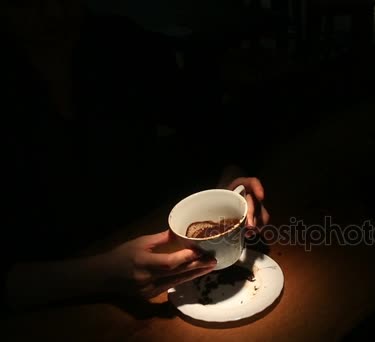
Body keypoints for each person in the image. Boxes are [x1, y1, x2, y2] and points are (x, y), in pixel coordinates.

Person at [0, 0, 269, 311]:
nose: (56, 12)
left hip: (167, 265)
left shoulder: (120, 43)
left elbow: (206, 123)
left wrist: (231, 176)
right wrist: (102, 274)